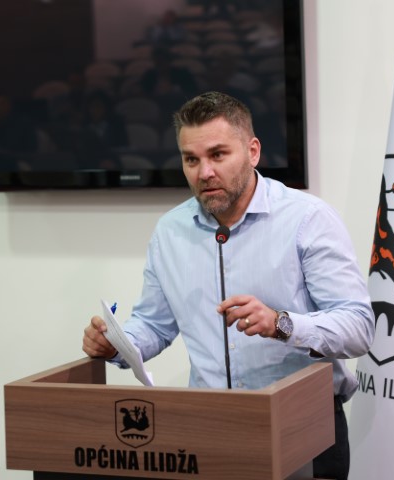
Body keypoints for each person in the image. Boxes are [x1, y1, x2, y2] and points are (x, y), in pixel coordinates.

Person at [82, 91, 375, 479]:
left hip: (304, 427)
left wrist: (282, 323)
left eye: (218, 155)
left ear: (253, 152)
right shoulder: (171, 232)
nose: (204, 172)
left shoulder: (308, 220)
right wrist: (117, 344)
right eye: (191, 159)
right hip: (210, 430)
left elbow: (358, 328)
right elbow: (154, 325)